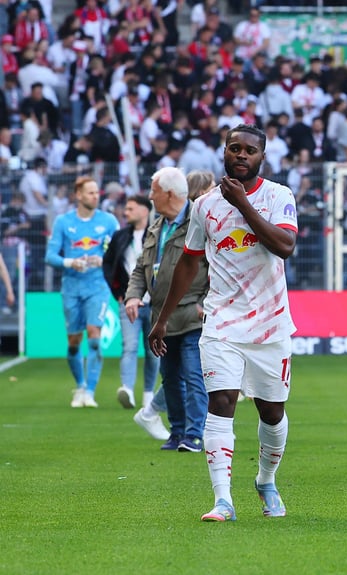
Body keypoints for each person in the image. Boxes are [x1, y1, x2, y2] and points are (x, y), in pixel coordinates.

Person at [149, 125, 298, 521]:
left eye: (250, 150)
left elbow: (285, 247)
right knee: (221, 402)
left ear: (262, 157)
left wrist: (244, 205)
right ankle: (223, 500)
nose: (241, 155)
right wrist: (162, 318)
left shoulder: (278, 196)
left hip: (270, 324)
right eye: (235, 148)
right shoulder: (205, 206)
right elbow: (189, 261)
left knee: (272, 413)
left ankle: (265, 480)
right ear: (224, 152)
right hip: (222, 321)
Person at [127, 167, 210, 452]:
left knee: (193, 374)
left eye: (154, 191)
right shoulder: (156, 226)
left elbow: (218, 267)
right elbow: (141, 269)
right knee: (171, 376)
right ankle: (177, 433)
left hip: (190, 314)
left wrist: (206, 303)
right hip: (160, 317)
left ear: (170, 194)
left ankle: (195, 434)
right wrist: (132, 296)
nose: (150, 196)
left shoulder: (199, 223)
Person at [45, 176, 120, 408]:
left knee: (94, 336)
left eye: (97, 192)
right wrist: (70, 263)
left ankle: (90, 391)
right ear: (78, 195)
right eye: (90, 193)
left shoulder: (108, 221)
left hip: (97, 286)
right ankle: (79, 385)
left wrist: (103, 259)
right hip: (71, 287)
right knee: (74, 342)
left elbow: (117, 251)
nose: (95, 196)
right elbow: (50, 256)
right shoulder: (63, 222)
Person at [103, 194, 160, 412]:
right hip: (128, 302)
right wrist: (117, 291)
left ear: (145, 211)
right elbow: (108, 265)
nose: (125, 212)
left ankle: (148, 394)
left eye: (130, 208)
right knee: (129, 346)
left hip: (154, 303)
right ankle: (126, 388)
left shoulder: (157, 234)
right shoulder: (119, 236)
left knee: (153, 351)